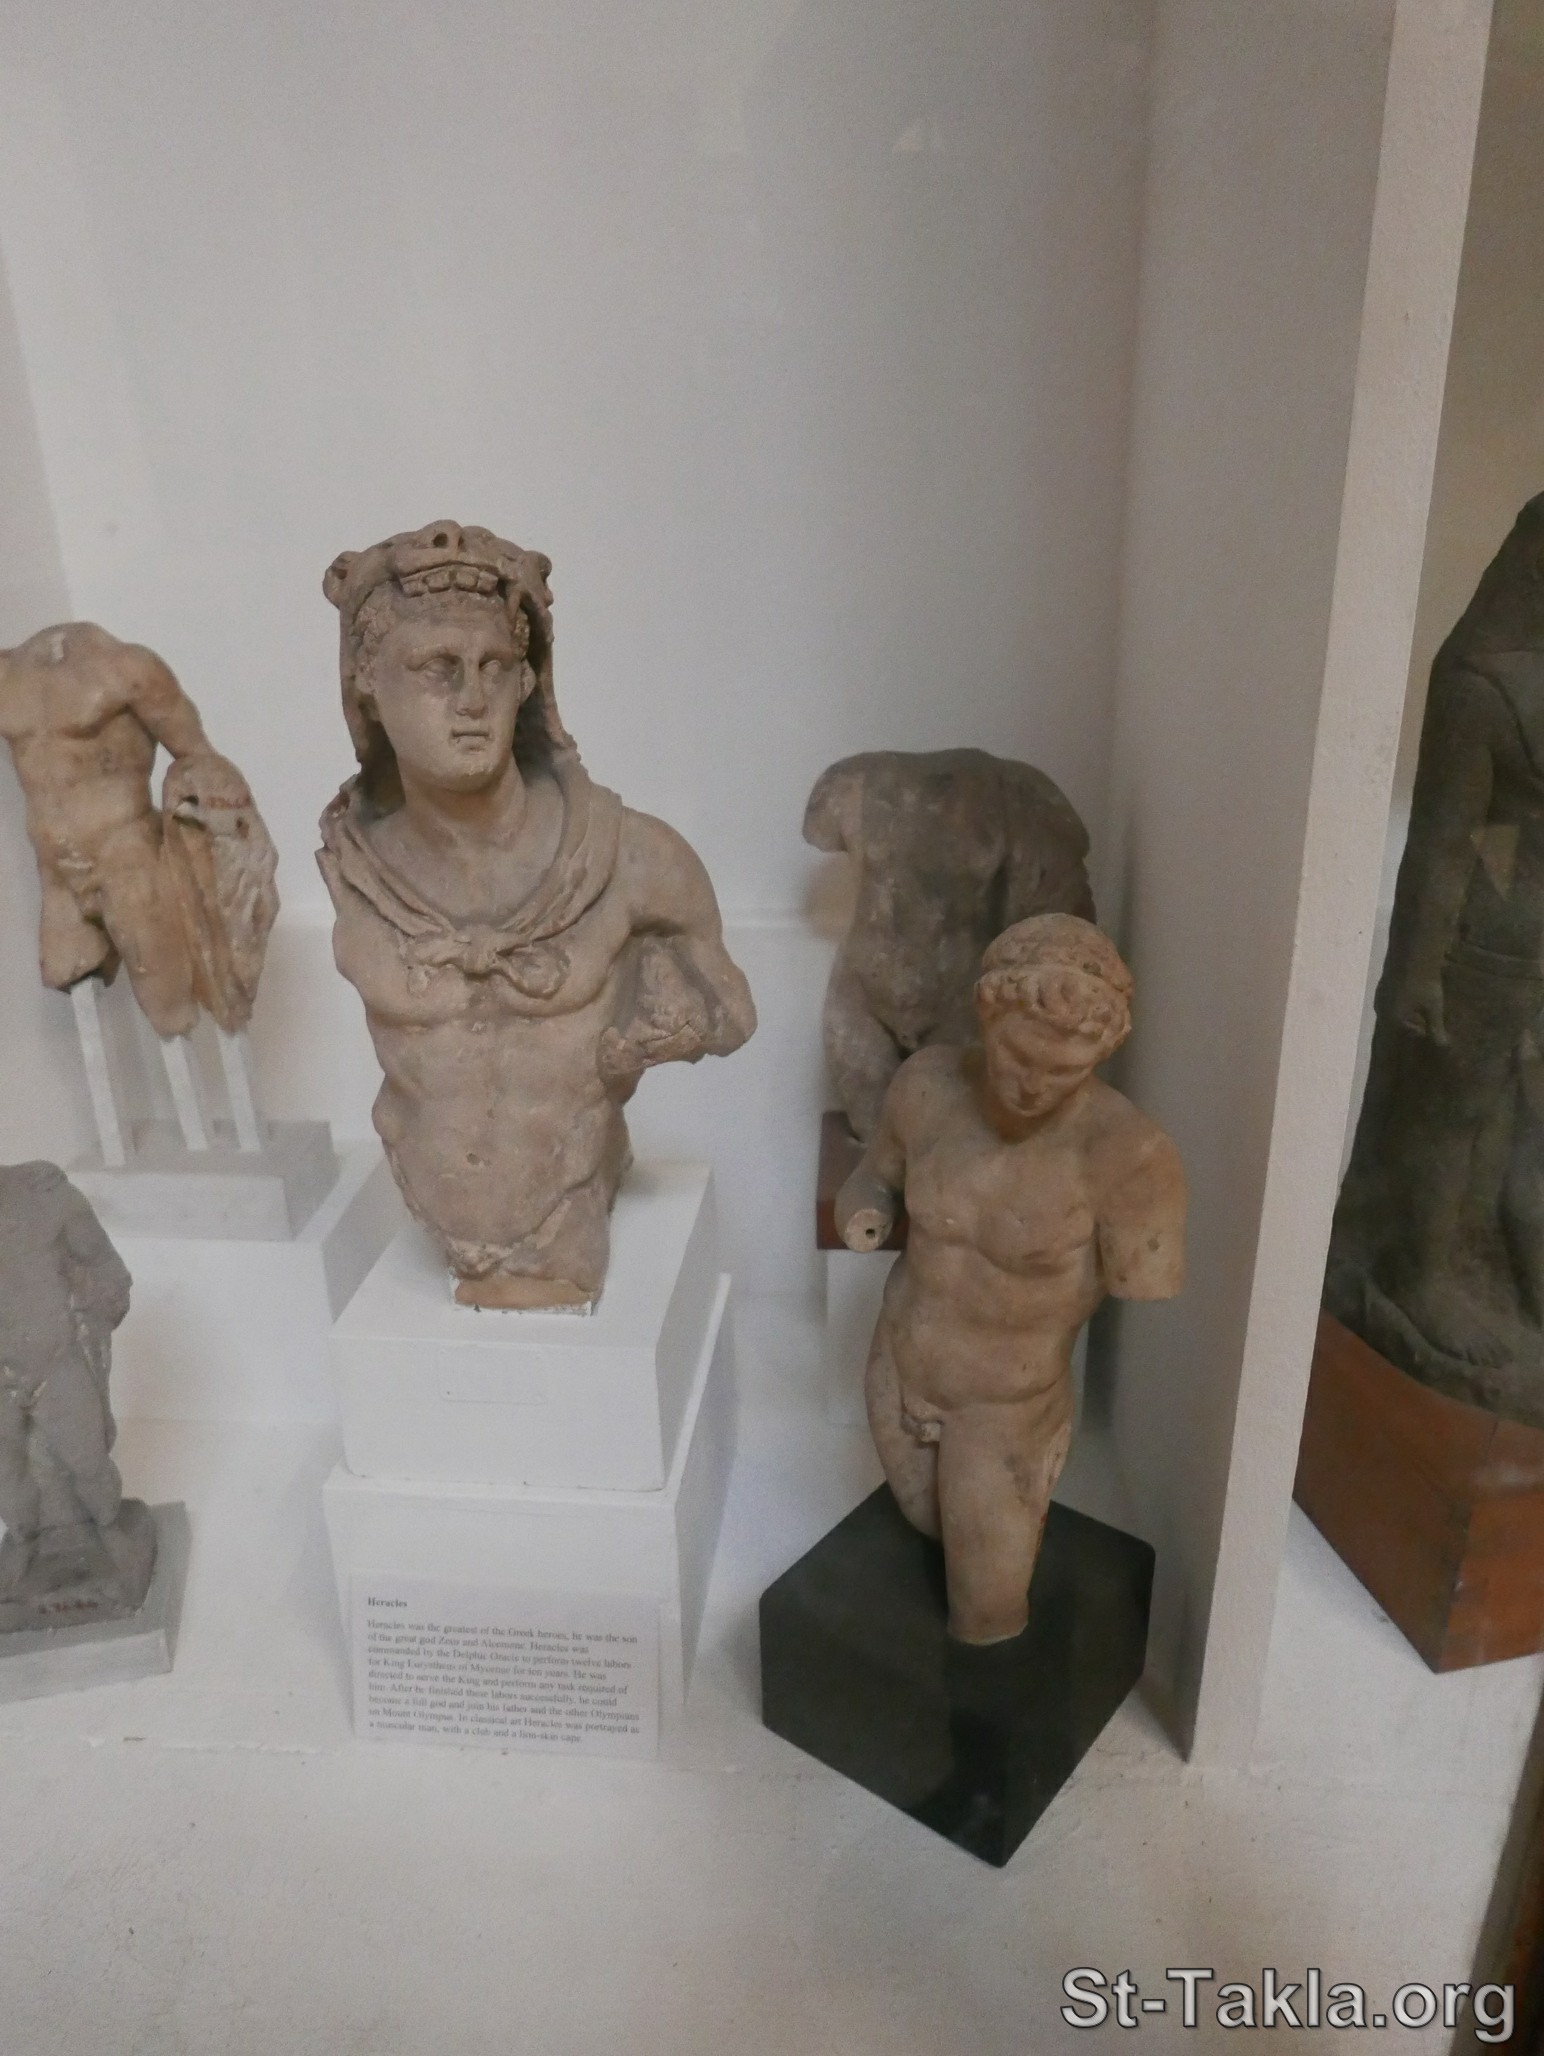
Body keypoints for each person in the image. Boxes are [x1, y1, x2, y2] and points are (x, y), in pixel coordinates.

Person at [319, 521, 756, 1308]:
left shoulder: (633, 859)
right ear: (367, 684)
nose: (472, 700)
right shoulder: (357, 868)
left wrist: (664, 1029)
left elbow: (732, 1012)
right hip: (435, 1203)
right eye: (437, 669)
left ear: (528, 682)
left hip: (569, 1215)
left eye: (494, 667)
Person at [836, 914, 1185, 1644]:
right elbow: (873, 1177)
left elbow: (1145, 1275)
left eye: (1063, 1071)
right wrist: (864, 1211)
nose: (1032, 1086)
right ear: (986, 1019)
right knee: (925, 1527)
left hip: (1005, 1407)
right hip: (898, 1360)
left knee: (986, 1610)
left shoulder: (1128, 1156)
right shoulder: (927, 1087)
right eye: (1018, 1057)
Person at [1331, 492, 1544, 1379]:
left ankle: (1501, 1264)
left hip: (1523, 934)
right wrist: (1415, 973)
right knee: (1451, 1113)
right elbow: (1442, 843)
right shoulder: (1481, 685)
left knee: (1516, 1118)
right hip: (1484, 943)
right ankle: (1417, 1275)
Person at [0, 622, 277, 1038]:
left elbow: (200, 761)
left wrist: (224, 868)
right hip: (55, 871)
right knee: (69, 974)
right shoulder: (9, 676)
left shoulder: (128, 669)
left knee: (169, 1011)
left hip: (127, 859)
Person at [0, 1162, 135, 1599]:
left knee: (87, 1457)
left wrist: (90, 1297)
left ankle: (109, 1528)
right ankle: (23, 1540)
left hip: (54, 1360)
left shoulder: (44, 1194)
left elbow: (108, 1269)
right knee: (6, 1475)